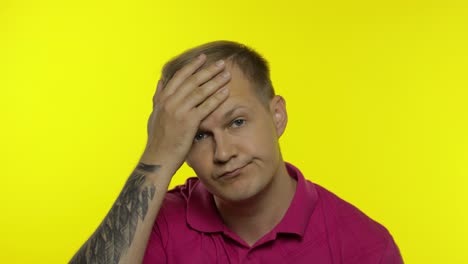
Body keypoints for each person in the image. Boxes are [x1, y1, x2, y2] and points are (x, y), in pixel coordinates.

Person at [70, 41, 403, 264]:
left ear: (277, 116)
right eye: (199, 135)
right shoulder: (157, 224)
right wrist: (156, 157)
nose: (224, 152)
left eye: (237, 122)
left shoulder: (363, 244)